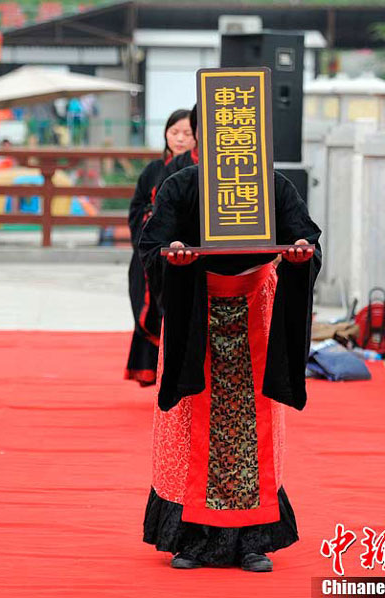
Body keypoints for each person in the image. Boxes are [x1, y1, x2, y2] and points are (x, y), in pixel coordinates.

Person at [137, 107, 321, 572]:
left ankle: (254, 540)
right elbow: (151, 245)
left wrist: (301, 257)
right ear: (202, 138)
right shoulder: (181, 184)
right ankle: (190, 539)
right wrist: (171, 257)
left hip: (255, 306)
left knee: (255, 426)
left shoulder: (276, 187)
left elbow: (307, 239)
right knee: (187, 425)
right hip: (195, 309)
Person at [125, 108, 194, 387]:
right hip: (150, 255)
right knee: (148, 308)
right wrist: (153, 222)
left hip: (184, 254)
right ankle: (152, 372)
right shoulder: (153, 170)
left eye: (187, 134)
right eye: (173, 132)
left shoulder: (196, 170)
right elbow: (137, 208)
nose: (179, 139)